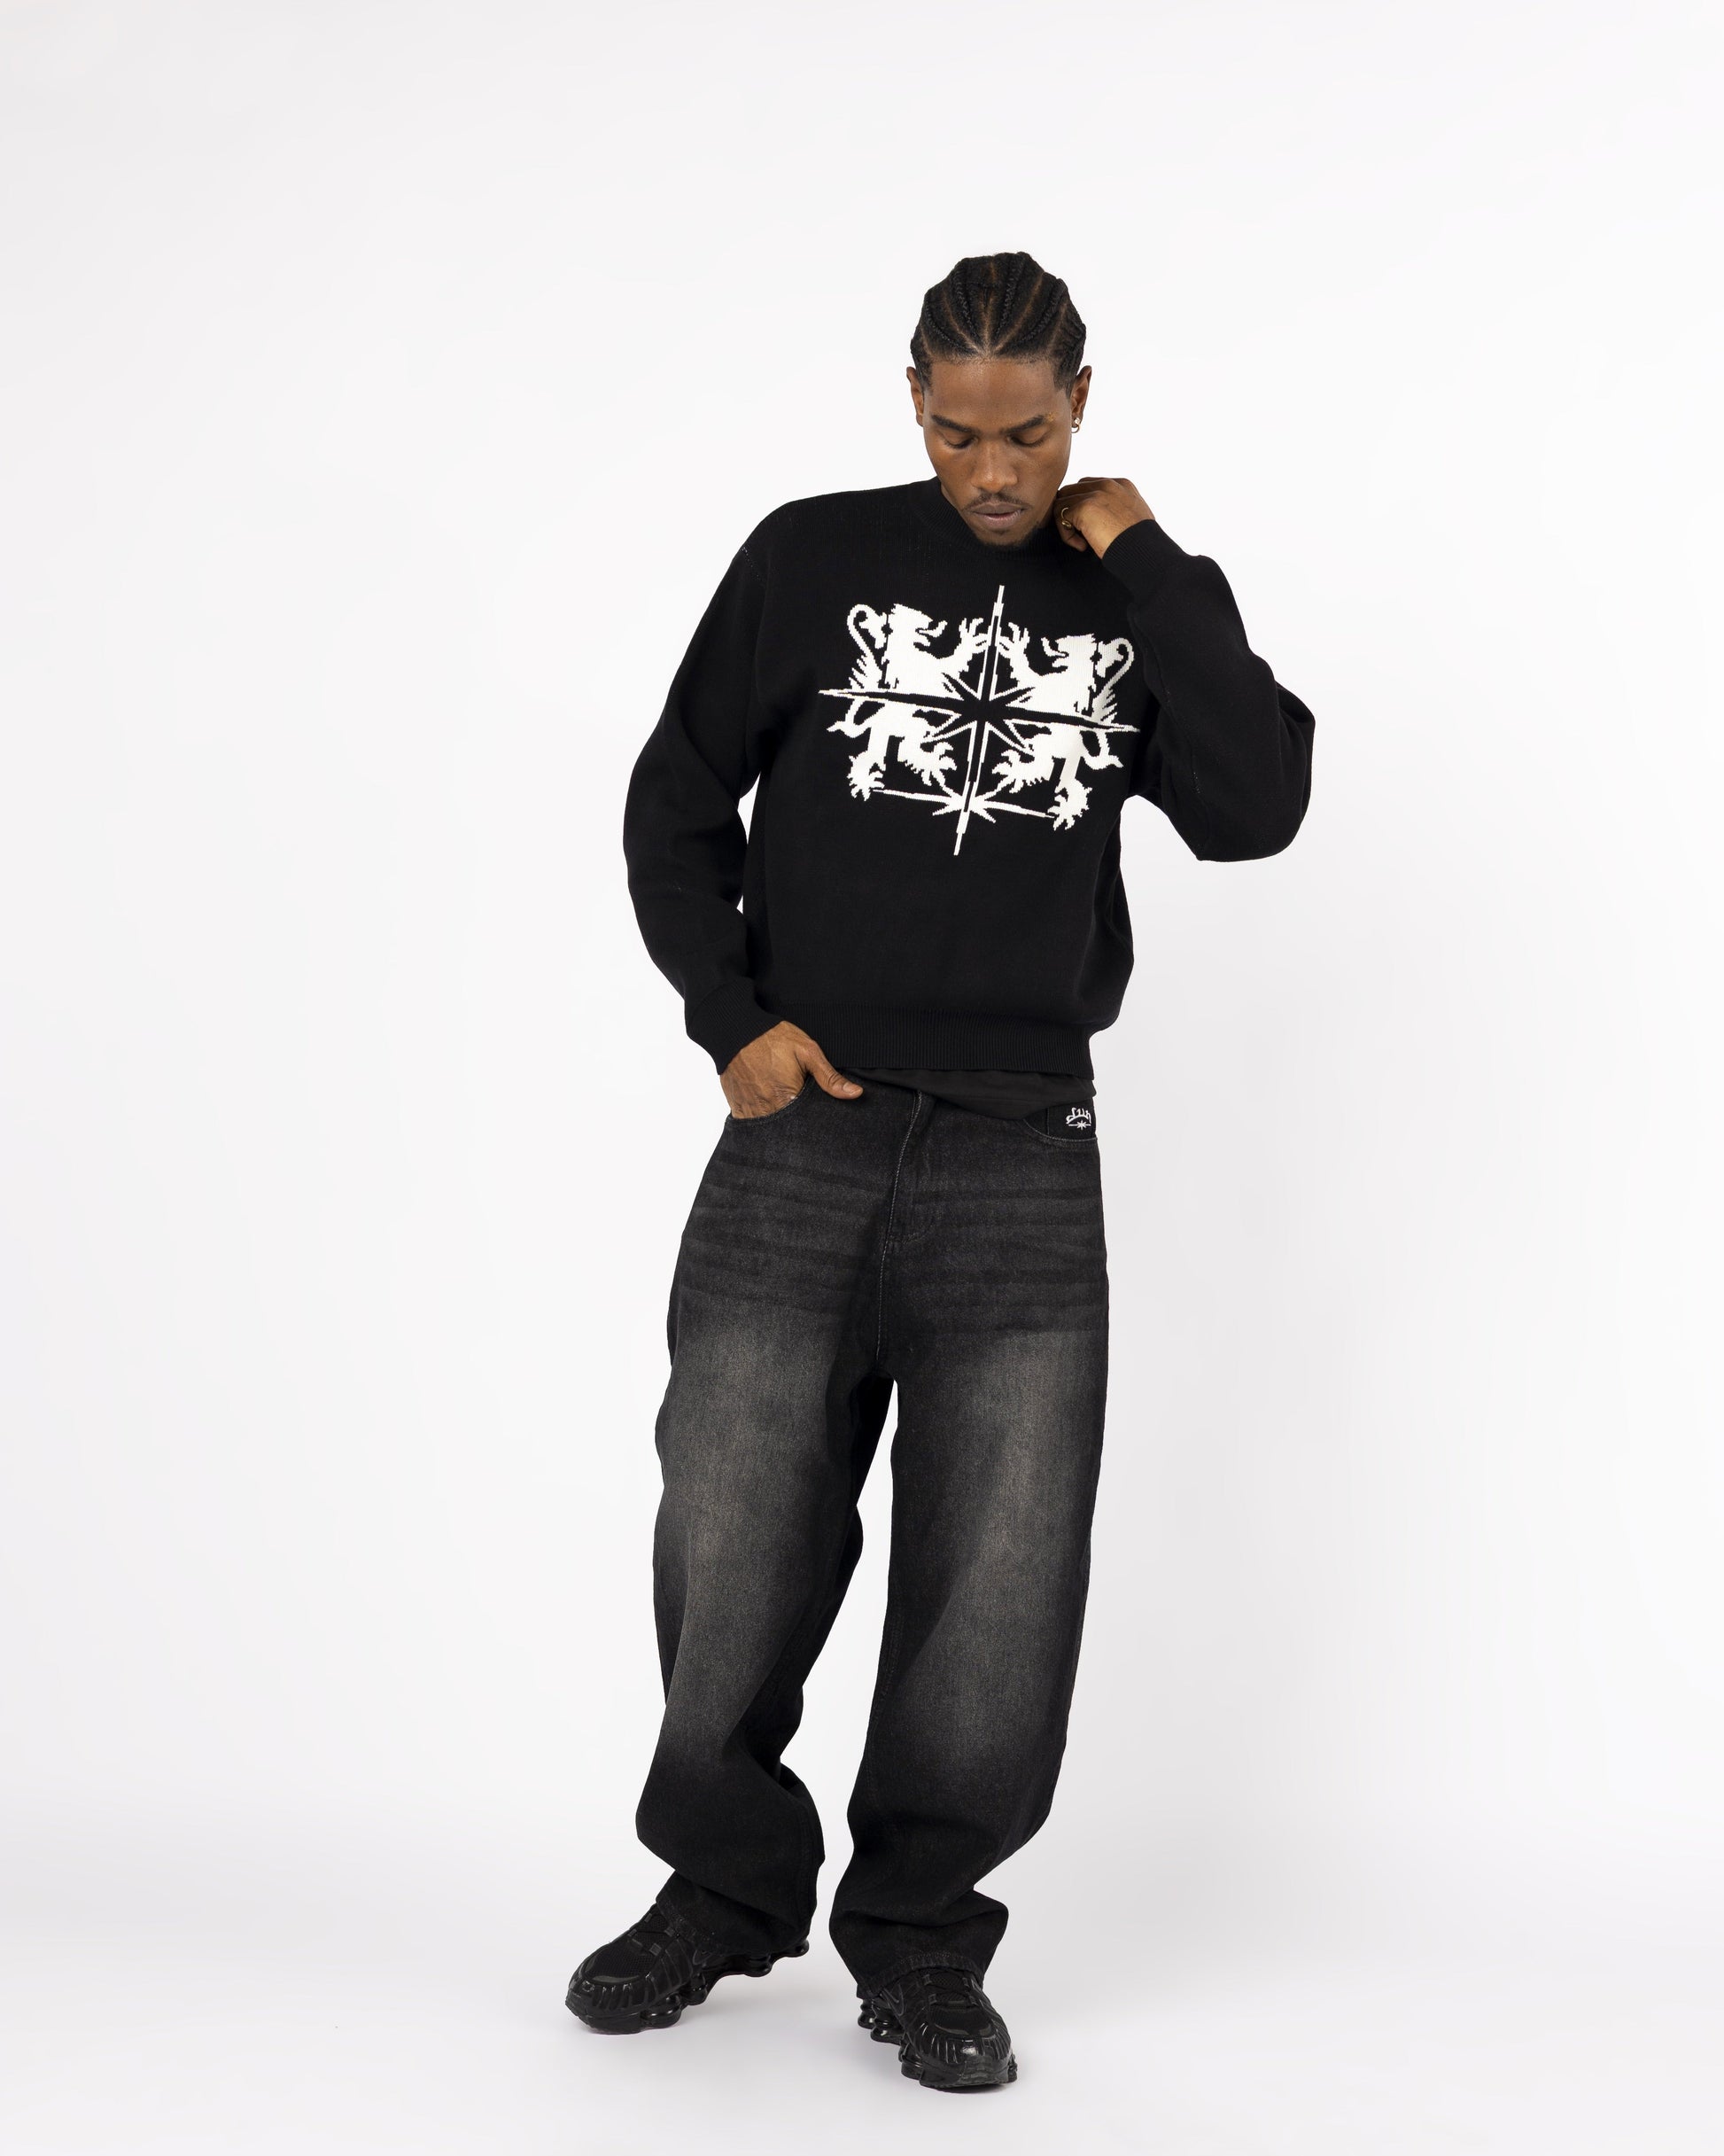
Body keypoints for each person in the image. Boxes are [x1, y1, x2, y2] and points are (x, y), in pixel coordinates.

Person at [565, 252, 1315, 2092]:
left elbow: (1258, 806)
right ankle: (723, 1886)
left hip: (1018, 1148)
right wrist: (728, 1016)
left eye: (1029, 435)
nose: (992, 471)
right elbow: (675, 796)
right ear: (912, 397)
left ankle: (915, 1939)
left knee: (998, 1573)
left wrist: (1149, 559)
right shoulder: (809, 556)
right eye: (958, 431)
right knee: (728, 1525)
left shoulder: (1138, 598)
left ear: (1082, 406)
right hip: (800, 1127)